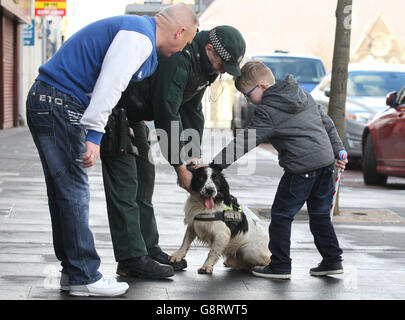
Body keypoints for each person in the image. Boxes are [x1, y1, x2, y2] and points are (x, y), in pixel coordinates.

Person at [25, 3, 199, 297]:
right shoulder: (140, 37)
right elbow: (110, 83)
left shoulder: (136, 32)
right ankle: (84, 275)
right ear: (179, 32)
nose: (184, 49)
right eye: (187, 42)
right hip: (60, 102)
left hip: (48, 100)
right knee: (74, 191)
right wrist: (94, 133)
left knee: (63, 192)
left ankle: (73, 271)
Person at [100, 26, 246, 279]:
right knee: (126, 189)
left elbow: (191, 110)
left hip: (135, 119)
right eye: (222, 64)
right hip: (116, 114)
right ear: (209, 49)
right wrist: (179, 167)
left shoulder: (204, 68)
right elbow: (167, 113)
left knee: (144, 184)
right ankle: (131, 259)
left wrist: (192, 158)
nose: (223, 71)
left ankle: (147, 248)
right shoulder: (180, 61)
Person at [208, 60, 348, 280]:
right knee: (320, 216)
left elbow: (245, 141)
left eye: (248, 94)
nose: (247, 100)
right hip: (325, 166)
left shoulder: (268, 111)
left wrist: (215, 166)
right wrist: (339, 151)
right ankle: (332, 260)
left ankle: (280, 265)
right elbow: (327, 123)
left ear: (263, 86)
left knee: (281, 216)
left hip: (300, 171)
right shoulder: (302, 94)